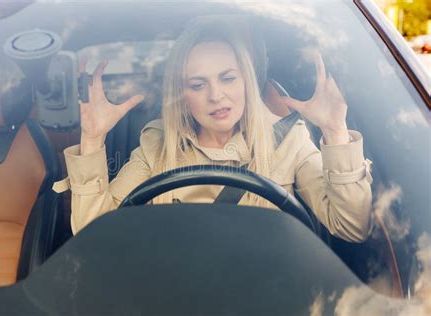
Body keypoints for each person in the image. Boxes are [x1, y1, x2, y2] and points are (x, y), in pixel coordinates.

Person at [53, 19, 373, 242]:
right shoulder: (157, 145)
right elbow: (94, 235)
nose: (216, 95)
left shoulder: (289, 139)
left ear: (247, 79)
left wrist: (335, 131)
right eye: (198, 84)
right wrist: (93, 139)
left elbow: (351, 227)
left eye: (228, 78)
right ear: (182, 94)